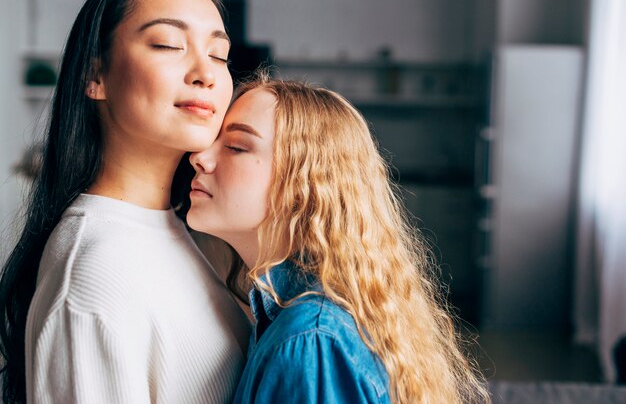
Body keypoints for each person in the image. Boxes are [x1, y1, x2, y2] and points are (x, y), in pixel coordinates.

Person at [0, 0, 250, 403]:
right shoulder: (91, 277)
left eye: (219, 54)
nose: (205, 74)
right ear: (94, 75)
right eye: (169, 45)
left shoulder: (186, 228)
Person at [187, 73, 491, 403]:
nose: (199, 157)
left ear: (304, 186)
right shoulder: (300, 317)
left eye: (235, 146)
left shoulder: (310, 341)